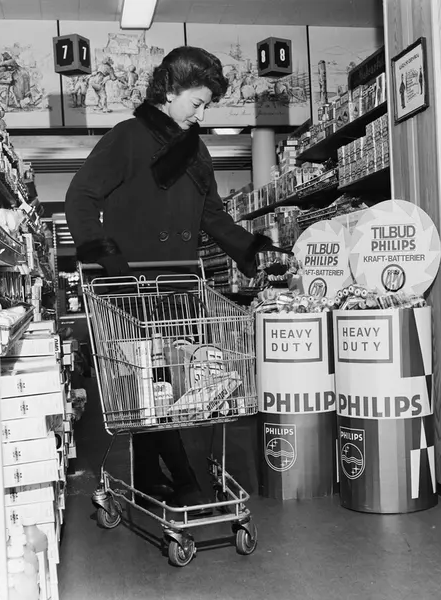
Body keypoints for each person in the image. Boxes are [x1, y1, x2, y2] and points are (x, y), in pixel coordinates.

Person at [65, 46, 272, 511]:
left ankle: (151, 477)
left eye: (206, 106)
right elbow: (80, 197)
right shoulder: (127, 137)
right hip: (129, 289)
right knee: (151, 388)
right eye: (197, 103)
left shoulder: (197, 151)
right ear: (170, 90)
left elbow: (213, 217)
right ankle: (185, 482)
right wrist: (109, 262)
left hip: (179, 290)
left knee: (173, 388)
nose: (201, 115)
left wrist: (254, 251)